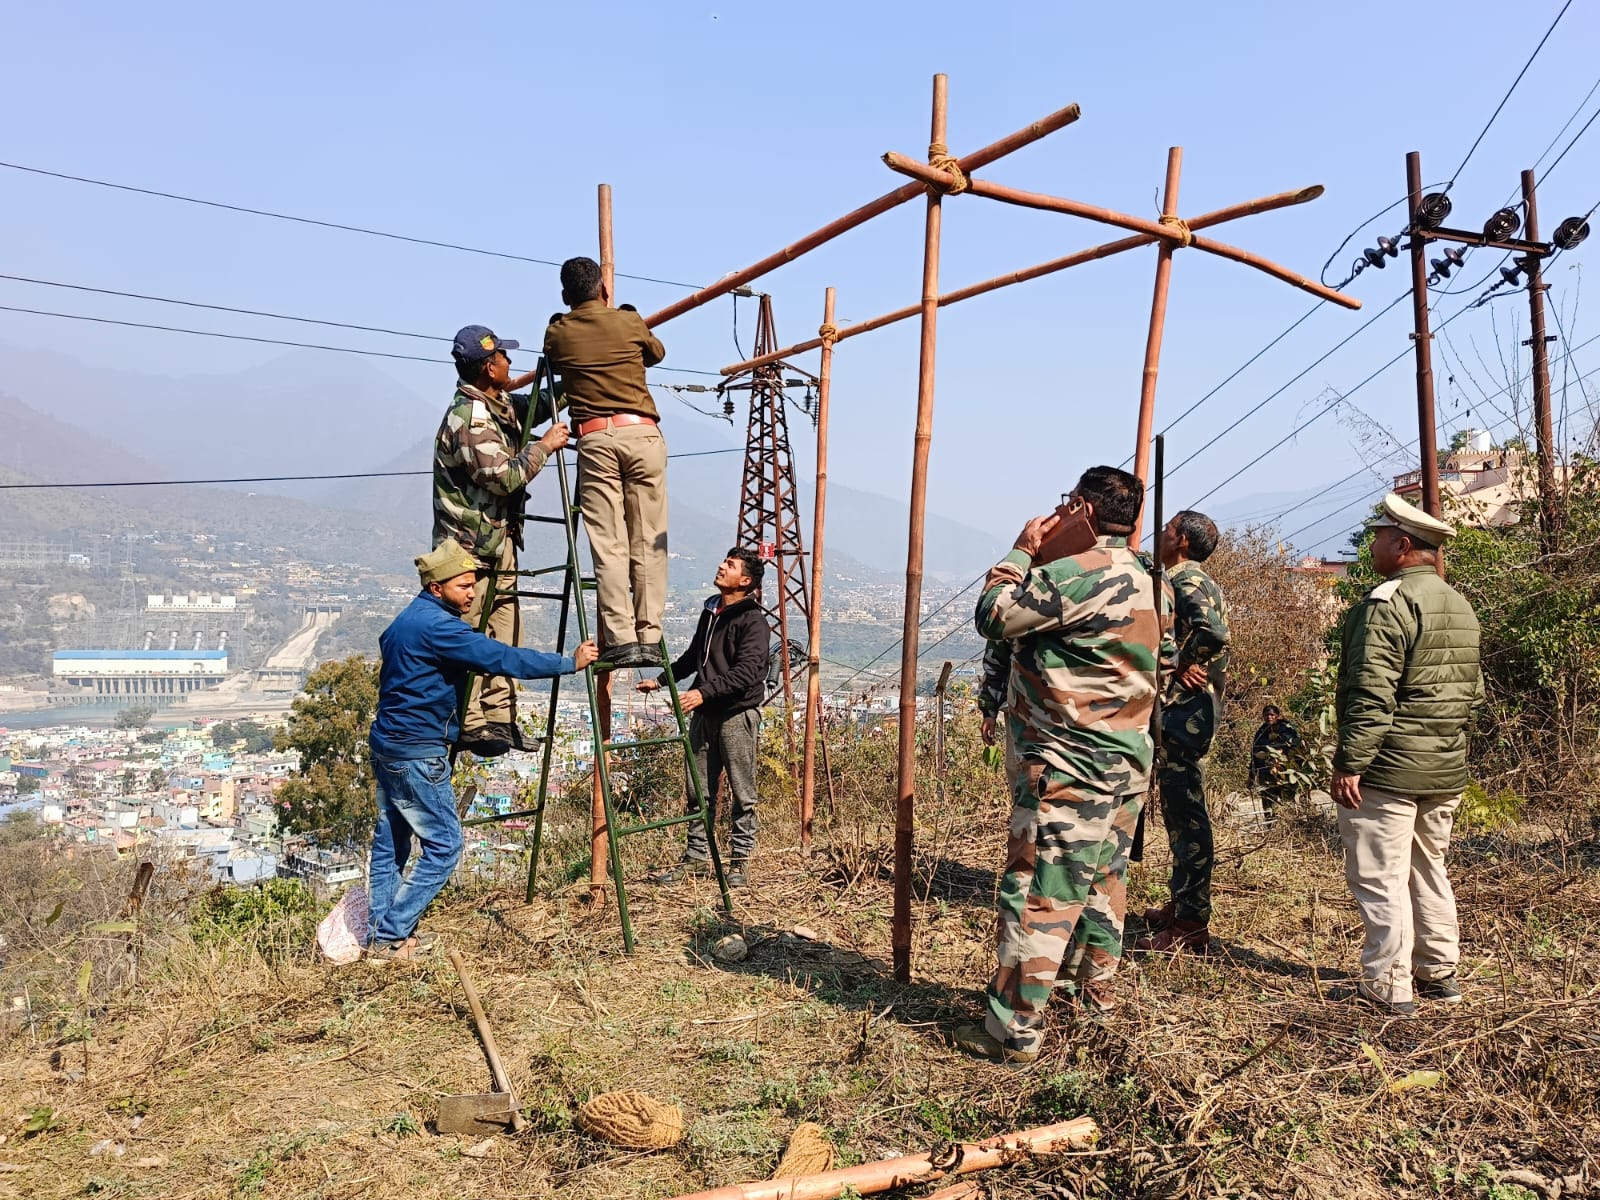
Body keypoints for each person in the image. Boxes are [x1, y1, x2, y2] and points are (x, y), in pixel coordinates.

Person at [954, 467, 1163, 1063]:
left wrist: (1022, 549)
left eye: (1067, 506)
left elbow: (994, 615)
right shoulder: (1154, 579)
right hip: (1127, 761)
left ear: (1084, 511)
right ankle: (1090, 1000)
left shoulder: (1074, 576)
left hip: (1068, 764)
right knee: (1103, 883)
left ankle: (1015, 1028)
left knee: (1042, 891)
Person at [366, 538, 598, 961]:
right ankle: (390, 935)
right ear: (437, 587)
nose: (472, 594)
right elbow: (502, 659)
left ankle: (381, 933)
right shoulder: (440, 628)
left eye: (474, 585)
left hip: (388, 743)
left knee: (391, 843)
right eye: (463, 587)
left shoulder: (407, 620)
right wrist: (569, 663)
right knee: (445, 845)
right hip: (418, 750)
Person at [1332, 493, 1481, 1016]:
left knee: (1380, 875)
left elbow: (1371, 692)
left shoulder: (1387, 604)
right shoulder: (1459, 604)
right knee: (1428, 866)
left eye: (1377, 537)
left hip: (1389, 767)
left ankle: (1388, 985)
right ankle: (1439, 972)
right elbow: (1472, 693)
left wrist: (1351, 761)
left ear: (1401, 545)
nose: (1370, 545)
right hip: (1446, 766)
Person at [434, 324, 570, 757]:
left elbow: (534, 405)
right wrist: (544, 447)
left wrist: (572, 376)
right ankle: (470, 722)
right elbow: (504, 477)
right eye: (504, 358)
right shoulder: (470, 419)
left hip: (498, 540)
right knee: (470, 636)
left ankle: (500, 719)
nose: (511, 363)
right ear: (489, 367)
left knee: (505, 632)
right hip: (467, 549)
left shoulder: (496, 405)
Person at [543, 258, 669, 669]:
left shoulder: (558, 332)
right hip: (643, 433)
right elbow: (657, 353)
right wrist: (628, 317)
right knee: (649, 539)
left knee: (608, 543)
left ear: (565, 296)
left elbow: (554, 361)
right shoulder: (628, 322)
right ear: (604, 289)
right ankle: (650, 636)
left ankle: (621, 638)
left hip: (595, 436)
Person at [640, 548, 771, 889]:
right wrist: (660, 680)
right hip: (704, 714)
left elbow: (747, 673)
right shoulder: (711, 611)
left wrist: (702, 693)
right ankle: (697, 858)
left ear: (744, 581)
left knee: (743, 792)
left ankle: (739, 863)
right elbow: (693, 657)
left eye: (729, 565)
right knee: (698, 791)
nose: (720, 565)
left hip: (736, 714)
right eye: (724, 560)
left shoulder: (752, 621)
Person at [1137, 509, 1231, 955]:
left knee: (1187, 815)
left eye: (1168, 529)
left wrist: (1183, 663)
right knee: (1178, 815)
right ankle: (1182, 903)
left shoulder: (1187, 579)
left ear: (1183, 543)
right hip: (1184, 712)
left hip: (1185, 714)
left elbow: (1213, 633)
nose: (1161, 533)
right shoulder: (1182, 576)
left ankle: (1192, 922)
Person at [1249, 704, 1301, 820]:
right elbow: (1255, 754)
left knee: (1288, 799)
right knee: (1268, 799)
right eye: (1266, 715)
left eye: (1272, 715)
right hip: (1266, 772)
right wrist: (1252, 776)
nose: (1269, 717)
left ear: (1277, 716)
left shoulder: (1287, 729)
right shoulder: (1261, 732)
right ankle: (1270, 824)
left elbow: (1296, 746)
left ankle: (1290, 823)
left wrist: (1282, 752)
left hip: (1285, 770)